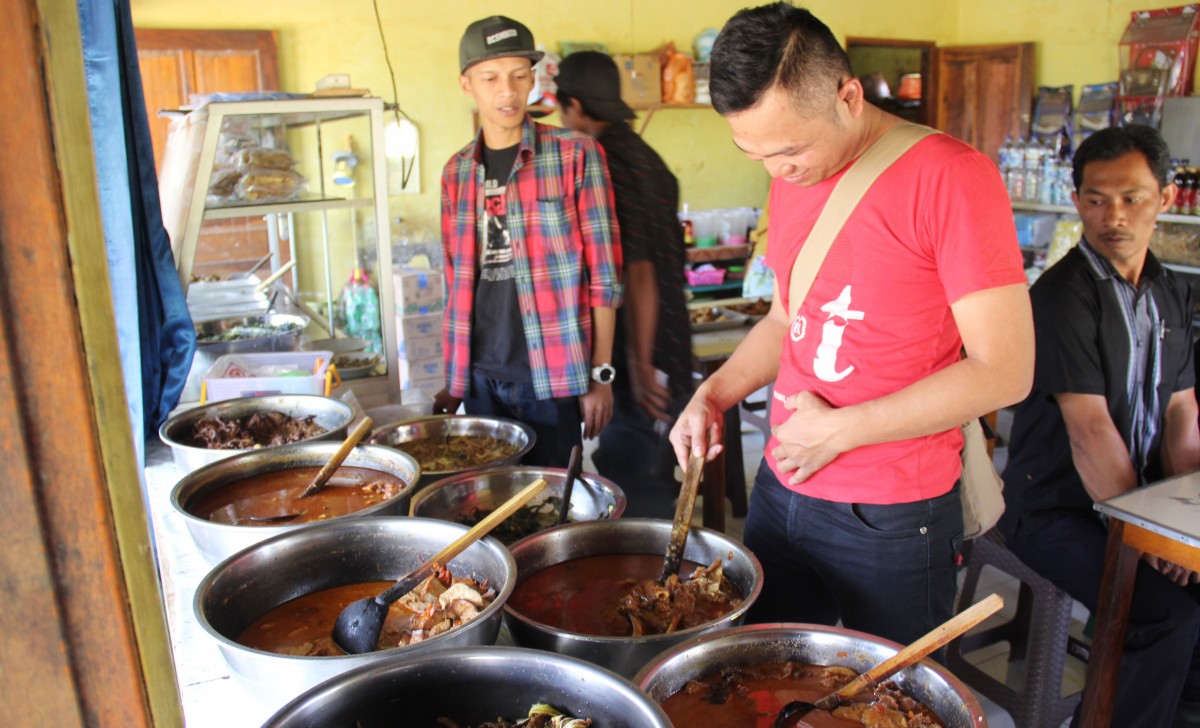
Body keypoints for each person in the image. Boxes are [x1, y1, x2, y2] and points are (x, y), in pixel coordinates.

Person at [669, 1, 1035, 649]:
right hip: (782, 486)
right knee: (759, 671)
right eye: (753, 153)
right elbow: (786, 320)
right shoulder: (791, 177)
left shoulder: (953, 178)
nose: (776, 171)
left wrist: (840, 431)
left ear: (848, 96)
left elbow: (1005, 370)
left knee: (890, 696)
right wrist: (715, 393)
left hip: (892, 512)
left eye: (788, 150)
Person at [999, 125, 1200, 728]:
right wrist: (1150, 532)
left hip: (1140, 501)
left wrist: (1185, 525)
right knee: (1166, 617)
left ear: (1164, 198)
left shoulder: (1168, 293)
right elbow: (1088, 431)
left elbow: (1184, 411)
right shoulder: (1061, 296)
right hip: (1056, 509)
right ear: (1076, 196)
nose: (1113, 216)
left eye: (1132, 197)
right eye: (1095, 198)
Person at [433, 16, 624, 467]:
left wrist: (601, 376)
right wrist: (454, 378)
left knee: (553, 508)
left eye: (520, 76)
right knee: (488, 507)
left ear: (533, 80)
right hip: (481, 378)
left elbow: (605, 276)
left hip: (553, 372)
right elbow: (456, 281)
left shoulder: (576, 155)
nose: (507, 91)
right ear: (467, 84)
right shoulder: (456, 173)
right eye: (491, 78)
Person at [554, 51, 693, 518]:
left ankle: (649, 581)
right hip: (669, 344)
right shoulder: (645, 155)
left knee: (634, 486)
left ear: (573, 106)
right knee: (649, 472)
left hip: (642, 352)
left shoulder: (604, 162)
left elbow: (638, 270)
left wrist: (635, 364)